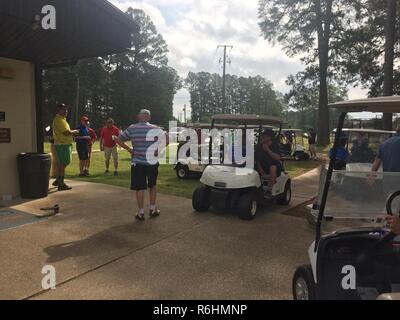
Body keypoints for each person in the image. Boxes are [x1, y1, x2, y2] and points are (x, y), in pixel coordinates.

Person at [117, 109, 165, 221]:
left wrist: (129, 149)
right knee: (152, 185)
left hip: (138, 162)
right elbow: (167, 138)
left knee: (140, 188)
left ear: (138, 116)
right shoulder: (155, 128)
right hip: (152, 162)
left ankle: (141, 212)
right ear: (149, 117)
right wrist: (159, 149)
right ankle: (153, 209)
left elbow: (119, 139)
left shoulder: (132, 128)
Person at [370, 126, 400, 235]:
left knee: (390, 205)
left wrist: (371, 176)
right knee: (392, 209)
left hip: (388, 182)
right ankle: (378, 227)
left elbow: (376, 163)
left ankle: (380, 226)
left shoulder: (385, 144)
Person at [52, 103, 79, 191]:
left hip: (64, 144)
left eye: (66, 109)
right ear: (58, 110)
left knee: (63, 163)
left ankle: (58, 180)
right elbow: (66, 132)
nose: (65, 111)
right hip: (62, 144)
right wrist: (74, 131)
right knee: (63, 163)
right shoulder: (59, 120)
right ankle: (61, 184)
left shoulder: (63, 119)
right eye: (63, 109)